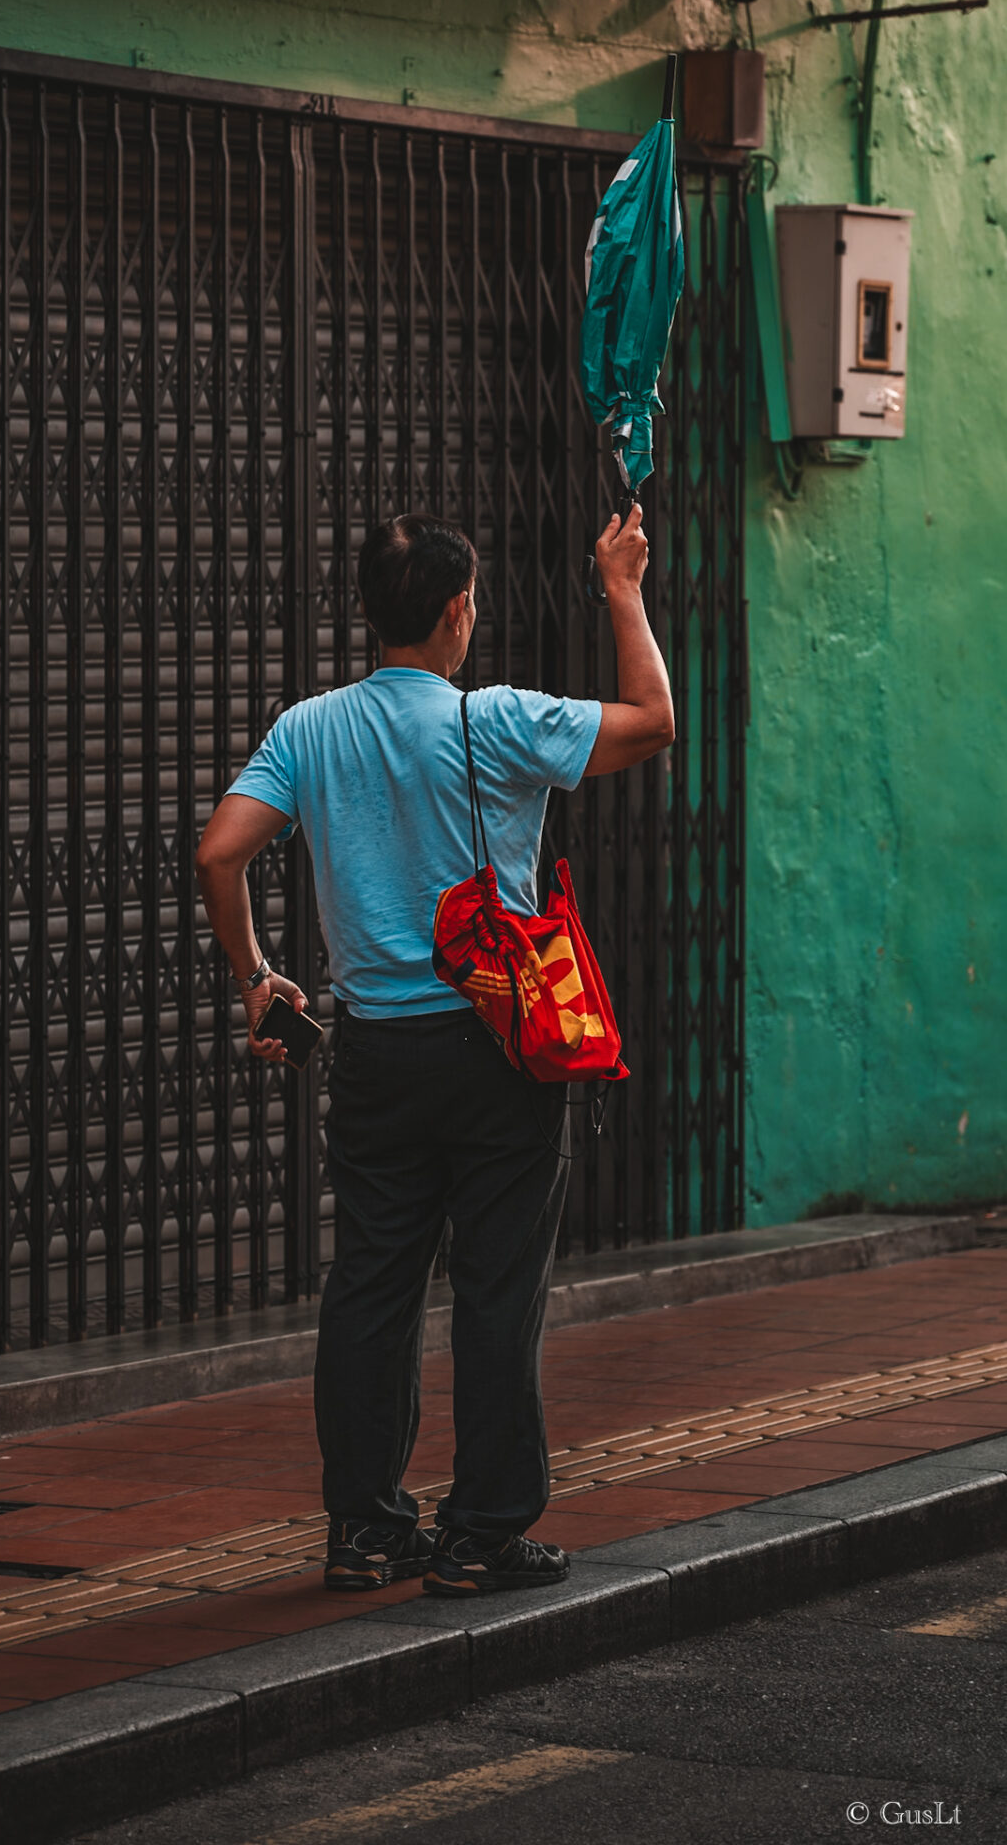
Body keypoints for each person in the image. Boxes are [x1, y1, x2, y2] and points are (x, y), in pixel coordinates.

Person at [195, 504, 672, 1596]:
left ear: (370, 613)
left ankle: (364, 1532)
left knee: (371, 1288)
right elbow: (653, 719)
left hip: (374, 1055)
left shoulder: (308, 729)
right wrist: (621, 587)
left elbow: (220, 855)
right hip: (498, 1050)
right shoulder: (497, 720)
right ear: (459, 611)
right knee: (499, 1292)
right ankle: (482, 1536)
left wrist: (259, 978)